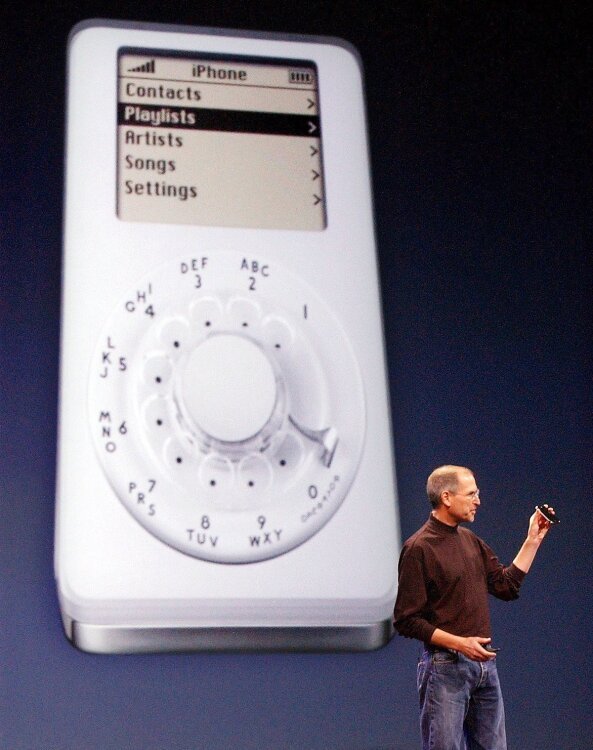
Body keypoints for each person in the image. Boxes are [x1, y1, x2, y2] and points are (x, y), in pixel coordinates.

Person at [393, 465, 554, 750]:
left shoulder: (471, 542)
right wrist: (460, 644)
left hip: (484, 668)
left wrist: (533, 540)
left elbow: (506, 586)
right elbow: (406, 620)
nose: (478, 500)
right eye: (471, 494)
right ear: (446, 497)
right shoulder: (419, 548)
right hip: (445, 669)